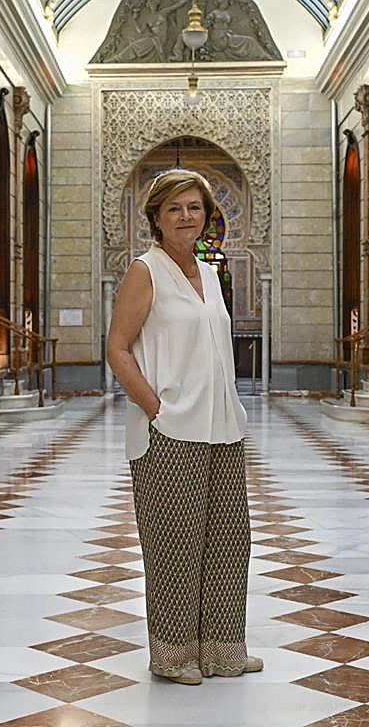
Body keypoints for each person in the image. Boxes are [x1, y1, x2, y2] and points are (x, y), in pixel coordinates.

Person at [106, 169, 261, 686]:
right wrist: (156, 408)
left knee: (229, 539)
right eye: (174, 208)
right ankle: (173, 654)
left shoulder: (210, 274)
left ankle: (222, 648)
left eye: (194, 207)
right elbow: (118, 348)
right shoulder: (144, 271)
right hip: (170, 431)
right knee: (175, 543)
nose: (186, 216)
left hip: (222, 428)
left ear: (207, 215)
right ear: (156, 217)